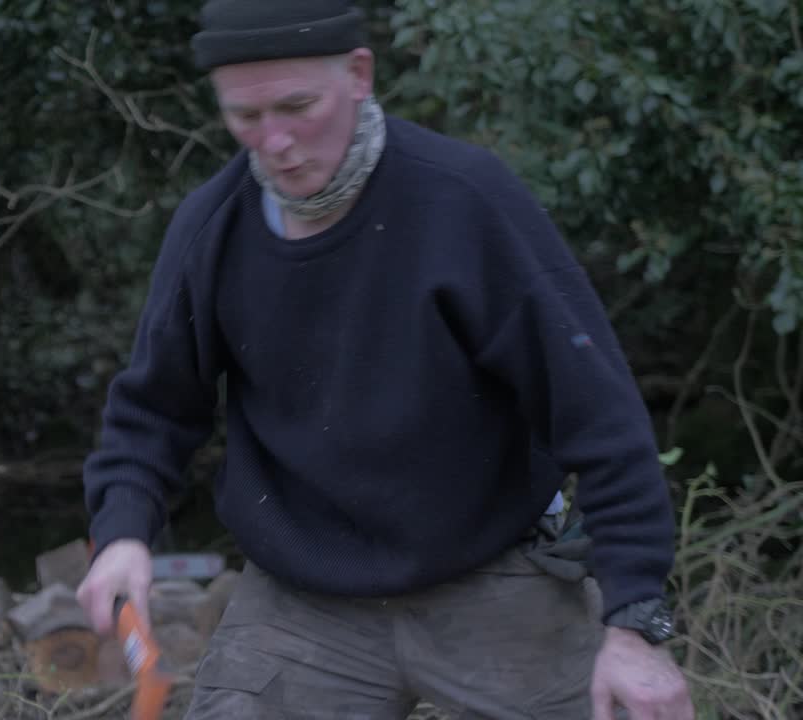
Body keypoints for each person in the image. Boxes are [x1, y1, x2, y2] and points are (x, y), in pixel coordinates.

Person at [76, 1, 695, 718]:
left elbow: (600, 414)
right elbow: (152, 409)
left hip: (493, 571)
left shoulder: (464, 202)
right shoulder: (212, 229)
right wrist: (122, 530)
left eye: (297, 106)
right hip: (303, 600)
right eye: (246, 117)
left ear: (359, 74)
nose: (275, 141)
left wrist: (634, 623)